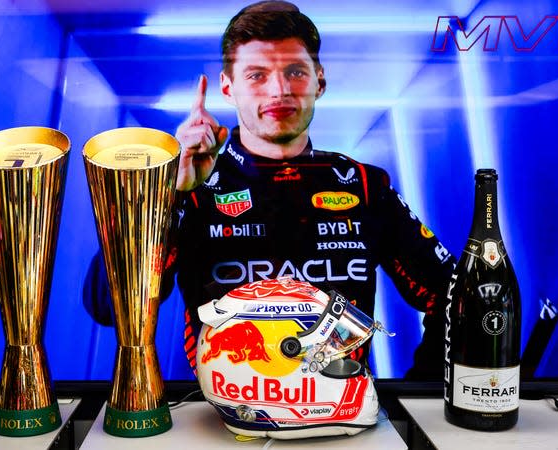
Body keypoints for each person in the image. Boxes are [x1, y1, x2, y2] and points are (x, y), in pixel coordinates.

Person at [85, 0, 455, 380]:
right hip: (222, 421)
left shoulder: (363, 185)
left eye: (295, 71)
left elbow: (459, 296)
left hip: (343, 419)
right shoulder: (189, 187)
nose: (279, 90)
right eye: (257, 75)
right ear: (228, 87)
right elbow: (104, 306)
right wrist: (167, 192)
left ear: (319, 81)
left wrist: (415, 394)